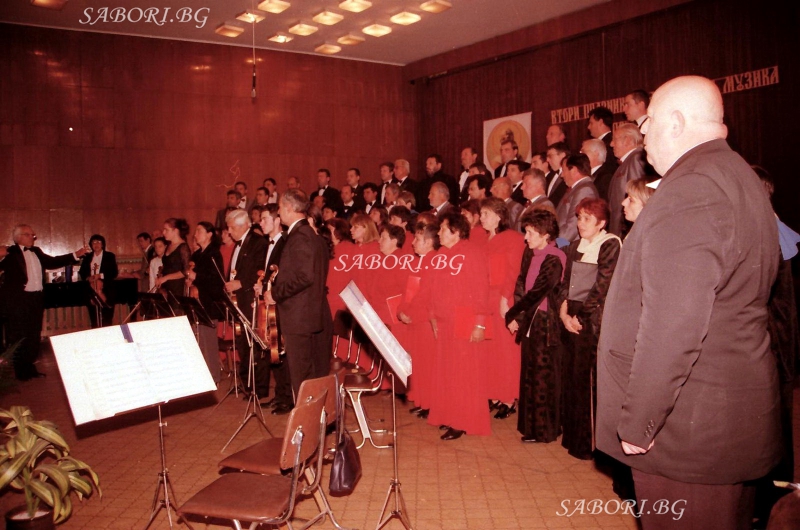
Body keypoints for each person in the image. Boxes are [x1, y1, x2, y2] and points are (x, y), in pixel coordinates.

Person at [596, 76, 781, 529]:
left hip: (687, 430)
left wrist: (640, 421)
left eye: (648, 122)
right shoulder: (735, 174)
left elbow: (673, 324)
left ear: (676, 122)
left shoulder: (690, 190)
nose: (642, 135)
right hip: (721, 417)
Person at [558, 198, 620, 460]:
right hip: (571, 317)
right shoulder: (574, 246)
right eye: (579, 218)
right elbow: (565, 283)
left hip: (592, 320)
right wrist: (563, 313)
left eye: (587, 219)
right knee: (571, 378)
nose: (580, 223)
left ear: (601, 222)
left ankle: (589, 444)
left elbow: (601, 287)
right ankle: (572, 438)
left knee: (588, 381)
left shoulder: (610, 244)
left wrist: (579, 317)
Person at [425, 211, 491, 440]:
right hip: (443, 320)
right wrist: (433, 317)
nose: (439, 233)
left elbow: (481, 290)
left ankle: (462, 421)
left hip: (464, 318)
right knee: (446, 372)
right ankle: (449, 415)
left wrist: (480, 324)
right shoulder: (441, 254)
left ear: (456, 231)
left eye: (443, 229)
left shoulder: (472, 253)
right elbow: (432, 289)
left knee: (463, 373)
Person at [505, 210, 566, 443]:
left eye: (531, 233)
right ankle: (531, 428)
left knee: (543, 377)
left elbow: (538, 291)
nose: (526, 237)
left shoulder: (555, 258)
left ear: (545, 235)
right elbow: (521, 283)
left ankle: (545, 431)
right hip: (531, 319)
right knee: (529, 374)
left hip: (545, 323)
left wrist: (512, 313)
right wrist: (517, 317)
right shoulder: (530, 253)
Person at [266, 190, 332, 398]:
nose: (278, 213)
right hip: (308, 315)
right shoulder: (312, 235)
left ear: (289, 208)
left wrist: (275, 293)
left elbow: (305, 277)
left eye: (279, 208)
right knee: (309, 376)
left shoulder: (300, 236)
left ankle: (306, 417)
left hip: (299, 317)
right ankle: (313, 416)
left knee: (301, 378)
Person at [0, 225, 86, 380]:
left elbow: (53, 262)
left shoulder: (37, 251)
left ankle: (30, 368)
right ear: (18, 237)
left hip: (36, 299)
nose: (32, 237)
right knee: (18, 335)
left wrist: (75, 254)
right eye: (29, 235)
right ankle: (20, 371)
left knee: (34, 334)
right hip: (18, 301)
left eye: (33, 235)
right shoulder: (10, 252)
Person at [479, 198, 525, 420]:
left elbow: (514, 272)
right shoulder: (483, 239)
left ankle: (508, 398)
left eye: (485, 214)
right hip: (485, 299)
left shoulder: (513, 239)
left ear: (498, 216)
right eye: (481, 214)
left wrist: (505, 299)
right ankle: (494, 394)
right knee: (490, 350)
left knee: (506, 351)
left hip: (502, 299)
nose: (481, 218)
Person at [224, 209, 269, 397]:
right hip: (238, 300)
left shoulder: (258, 242)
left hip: (251, 299)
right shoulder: (238, 244)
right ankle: (248, 384)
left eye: (232, 228)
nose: (229, 232)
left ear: (244, 225)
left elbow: (261, 270)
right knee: (243, 343)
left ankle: (259, 388)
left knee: (255, 344)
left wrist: (241, 283)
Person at [399, 222, 440, 419]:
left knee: (427, 364)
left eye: (417, 239)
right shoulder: (420, 261)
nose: (413, 242)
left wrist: (409, 312)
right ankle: (423, 401)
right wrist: (402, 310)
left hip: (423, 319)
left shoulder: (433, 261)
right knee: (419, 364)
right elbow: (409, 290)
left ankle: (430, 403)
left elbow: (425, 294)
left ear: (429, 242)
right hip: (415, 318)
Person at [186, 222, 224, 384]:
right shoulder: (197, 255)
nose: (195, 234)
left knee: (209, 344)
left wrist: (196, 277)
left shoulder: (214, 254)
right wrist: (191, 282)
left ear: (209, 234)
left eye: (199, 231)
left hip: (209, 303)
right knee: (198, 341)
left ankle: (213, 377)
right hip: (196, 302)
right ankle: (202, 376)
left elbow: (217, 280)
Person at [78, 233, 118, 327]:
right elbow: (82, 272)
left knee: (107, 316)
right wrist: (88, 278)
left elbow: (114, 272)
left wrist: (100, 276)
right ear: (91, 245)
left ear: (103, 244)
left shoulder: (109, 256)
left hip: (106, 288)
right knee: (94, 316)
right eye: (94, 242)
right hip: (91, 288)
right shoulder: (87, 257)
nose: (96, 244)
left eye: (98, 242)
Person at [155, 218, 191, 302]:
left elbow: (186, 271)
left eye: (166, 230)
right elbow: (167, 266)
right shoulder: (169, 246)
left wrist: (166, 278)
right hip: (166, 287)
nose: (163, 232)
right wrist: (160, 277)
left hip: (177, 287)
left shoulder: (183, 247)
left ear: (175, 231)